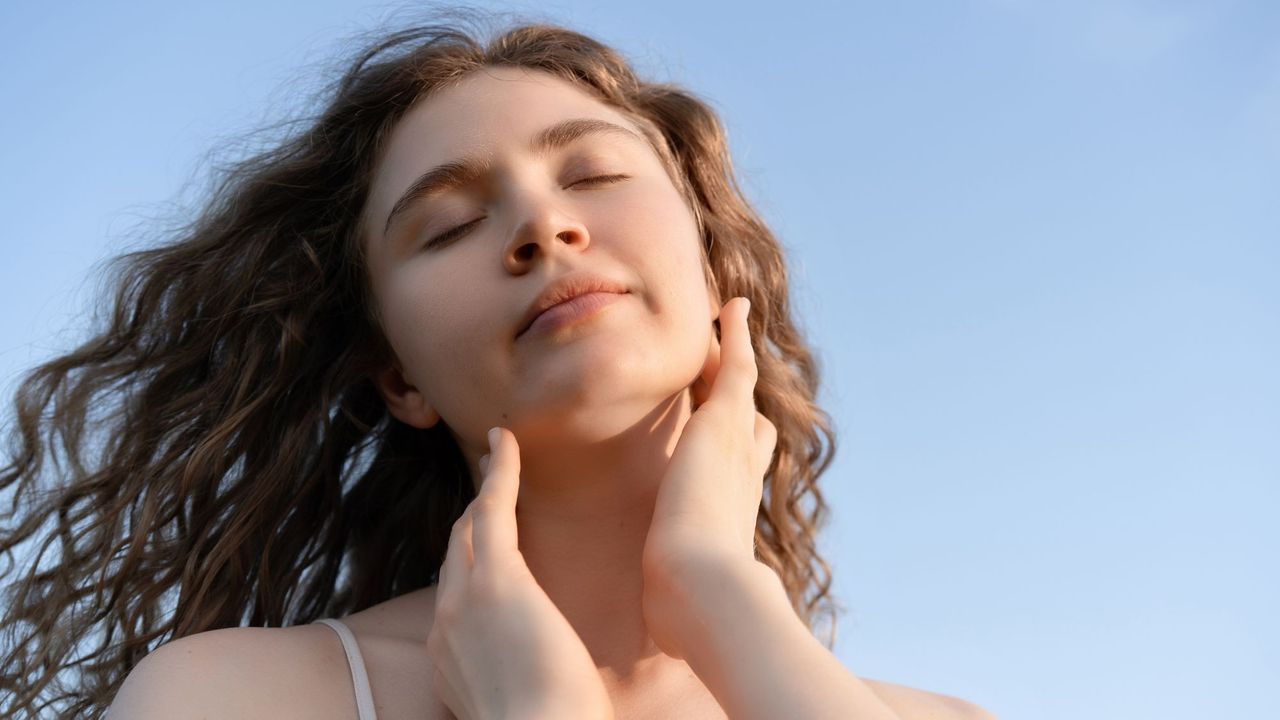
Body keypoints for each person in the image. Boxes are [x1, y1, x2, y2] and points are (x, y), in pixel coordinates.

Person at [0, 13, 995, 720]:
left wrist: (718, 594)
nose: (541, 226)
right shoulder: (232, 700)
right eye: (450, 227)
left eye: (593, 175)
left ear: (713, 269)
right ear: (399, 380)